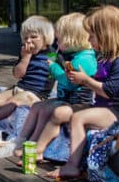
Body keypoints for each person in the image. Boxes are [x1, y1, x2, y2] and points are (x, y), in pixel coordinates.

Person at [39, 5, 119, 182]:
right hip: (103, 108)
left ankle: (72, 166)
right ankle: (45, 151)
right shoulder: (103, 58)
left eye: (92, 35)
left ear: (106, 34)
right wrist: (77, 78)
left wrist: (85, 80)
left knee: (79, 118)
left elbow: (108, 91)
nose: (89, 39)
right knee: (66, 112)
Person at [18, 12, 97, 150]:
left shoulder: (84, 59)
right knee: (38, 107)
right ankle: (25, 139)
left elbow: (69, 82)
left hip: (79, 103)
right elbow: (57, 60)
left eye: (59, 39)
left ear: (72, 39)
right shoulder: (74, 55)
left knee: (55, 113)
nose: (56, 42)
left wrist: (53, 68)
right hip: (65, 99)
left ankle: (39, 148)